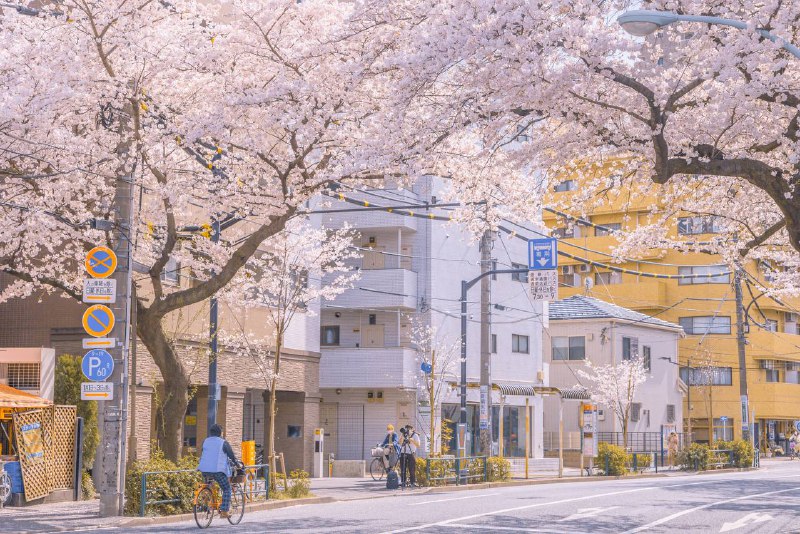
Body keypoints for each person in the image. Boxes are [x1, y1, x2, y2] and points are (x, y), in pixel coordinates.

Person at [197, 424, 240, 518]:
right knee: (227, 489)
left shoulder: (205, 441)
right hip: (217, 471)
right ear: (220, 433)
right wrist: (237, 464)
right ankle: (224, 511)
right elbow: (231, 455)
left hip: (204, 470)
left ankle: (208, 501)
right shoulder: (223, 442)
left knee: (210, 485)